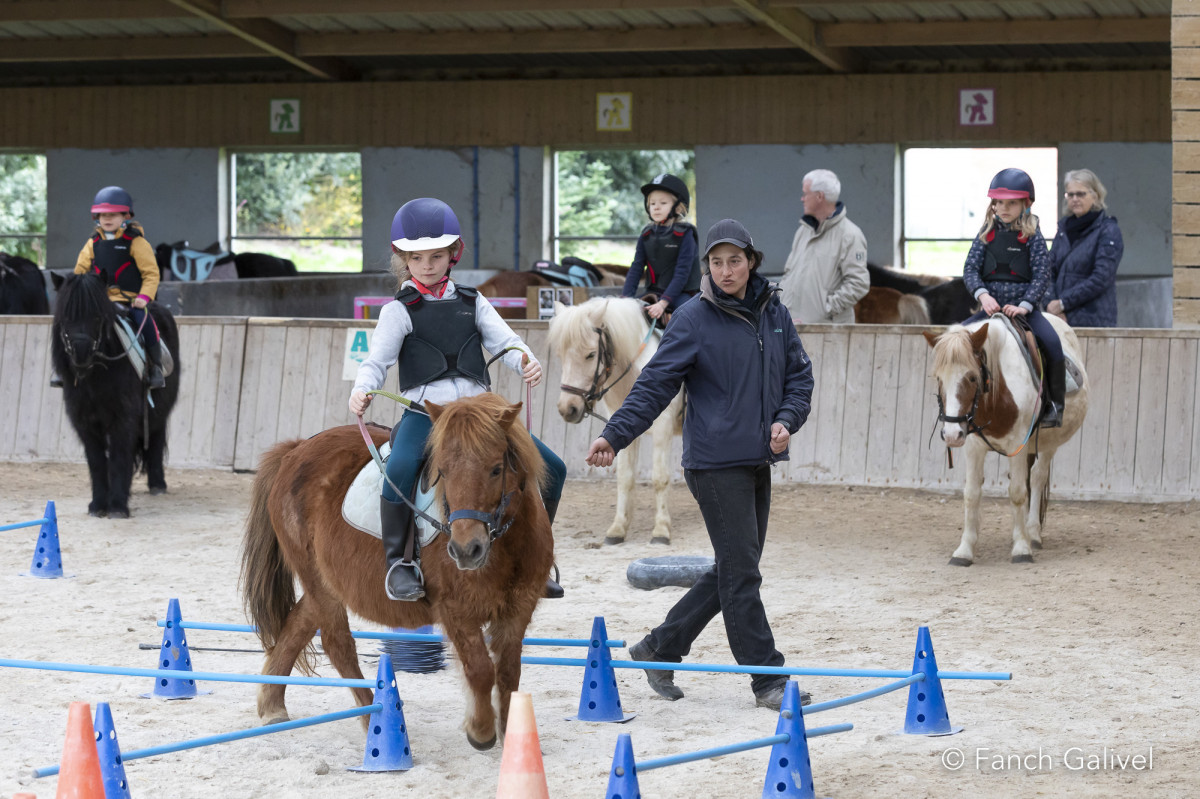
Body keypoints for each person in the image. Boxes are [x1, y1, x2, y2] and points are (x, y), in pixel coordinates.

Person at [586, 218, 814, 711]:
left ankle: (660, 646)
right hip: (713, 465)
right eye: (716, 262)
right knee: (743, 574)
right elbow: (654, 385)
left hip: (758, 458)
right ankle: (767, 678)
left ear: (751, 262)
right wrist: (614, 435)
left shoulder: (776, 314)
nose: (726, 270)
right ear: (707, 266)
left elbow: (800, 376)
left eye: (735, 260)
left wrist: (787, 420)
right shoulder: (692, 318)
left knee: (736, 567)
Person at [349, 198, 567, 601]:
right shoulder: (398, 311)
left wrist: (527, 361)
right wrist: (362, 388)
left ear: (453, 255)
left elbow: (509, 342)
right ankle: (400, 563)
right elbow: (375, 361)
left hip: (481, 415)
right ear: (404, 259)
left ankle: (539, 555)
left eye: (436, 256)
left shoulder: (473, 302)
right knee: (398, 470)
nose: (427, 265)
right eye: (417, 258)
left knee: (552, 467)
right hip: (427, 415)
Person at [961, 168, 1065, 428]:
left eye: (1011, 203)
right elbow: (970, 269)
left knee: (1052, 344)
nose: (1003, 207)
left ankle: (1054, 405)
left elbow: (1042, 275)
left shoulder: (1033, 236)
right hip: (989, 309)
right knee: (958, 341)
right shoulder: (986, 233)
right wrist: (983, 295)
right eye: (999, 202)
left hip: (1024, 311)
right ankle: (959, 404)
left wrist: (1024, 305)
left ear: (1025, 204)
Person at [57, 186, 164, 389]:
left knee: (145, 321)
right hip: (99, 302)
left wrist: (144, 296)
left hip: (131, 299)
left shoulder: (137, 242)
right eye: (103, 215)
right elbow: (80, 272)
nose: (107, 219)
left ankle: (155, 366)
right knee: (70, 323)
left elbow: (151, 273)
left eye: (113, 215)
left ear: (125, 216)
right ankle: (62, 368)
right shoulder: (92, 243)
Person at [779, 168, 869, 324]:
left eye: (805, 194)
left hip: (827, 333)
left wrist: (825, 310)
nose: (802, 199)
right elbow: (789, 274)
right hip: (793, 328)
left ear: (819, 196)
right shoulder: (803, 231)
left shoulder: (850, 235)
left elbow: (858, 283)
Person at [1045, 169, 1123, 327]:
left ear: (1095, 196)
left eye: (1081, 194)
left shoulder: (1108, 230)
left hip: (1093, 320)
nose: (1075, 199)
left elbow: (1101, 277)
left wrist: (1063, 303)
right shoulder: (1063, 230)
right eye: (1070, 194)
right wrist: (1053, 306)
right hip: (1059, 319)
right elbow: (1048, 270)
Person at [621, 173, 701, 321]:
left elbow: (682, 273)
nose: (656, 207)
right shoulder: (646, 234)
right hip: (653, 292)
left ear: (678, 207)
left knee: (688, 319)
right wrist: (625, 298)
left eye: (663, 203)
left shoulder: (685, 234)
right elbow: (636, 268)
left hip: (681, 294)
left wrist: (663, 303)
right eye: (652, 204)